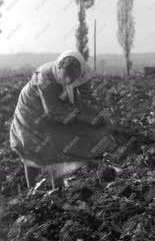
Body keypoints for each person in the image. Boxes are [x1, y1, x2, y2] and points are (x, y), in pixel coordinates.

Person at [9, 50, 117, 191]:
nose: (69, 82)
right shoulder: (45, 76)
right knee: (31, 147)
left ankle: (57, 190)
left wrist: (96, 114)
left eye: (72, 79)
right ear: (58, 70)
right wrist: (85, 118)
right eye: (65, 78)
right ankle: (33, 192)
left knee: (58, 146)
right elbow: (53, 110)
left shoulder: (82, 72)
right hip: (31, 109)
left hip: (58, 108)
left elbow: (86, 97)